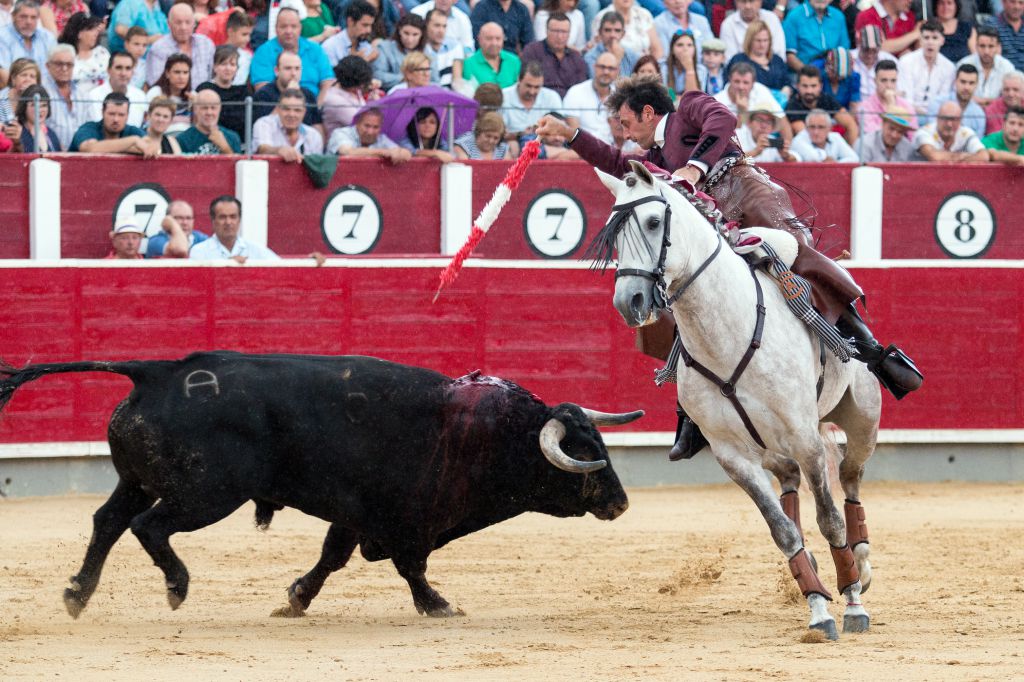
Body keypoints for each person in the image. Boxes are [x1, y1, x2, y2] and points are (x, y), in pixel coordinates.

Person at [535, 77, 922, 458]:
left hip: (747, 195)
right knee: (681, 299)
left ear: (648, 113)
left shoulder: (688, 106)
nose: (624, 131)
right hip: (712, 224)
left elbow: (723, 120)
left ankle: (873, 353)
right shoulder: (653, 160)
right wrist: (571, 135)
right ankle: (691, 412)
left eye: (626, 122)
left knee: (796, 258)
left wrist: (694, 168)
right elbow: (618, 164)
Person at [251, 7, 334, 97]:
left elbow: (328, 83)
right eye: (283, 26)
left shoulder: (315, 49)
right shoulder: (263, 53)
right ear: (275, 28)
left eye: (293, 26)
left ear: (300, 28)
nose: (288, 31)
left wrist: (316, 109)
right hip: (277, 107)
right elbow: (262, 91)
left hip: (313, 104)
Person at [190, 195, 280, 262]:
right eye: (222, 217)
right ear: (213, 221)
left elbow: (281, 268)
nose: (228, 222)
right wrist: (229, 265)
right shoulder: (199, 251)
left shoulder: (255, 249)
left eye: (233, 217)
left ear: (239, 220)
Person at [146, 3, 215, 89]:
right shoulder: (158, 48)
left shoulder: (206, 44)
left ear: (194, 23)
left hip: (203, 99)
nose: (183, 27)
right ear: (169, 24)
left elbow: (214, 77)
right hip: (170, 99)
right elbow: (155, 83)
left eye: (188, 22)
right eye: (178, 22)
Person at [520, 12, 587, 99]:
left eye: (564, 32)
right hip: (540, 101)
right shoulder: (532, 51)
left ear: (569, 34)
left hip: (570, 104)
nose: (559, 36)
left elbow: (581, 88)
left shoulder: (576, 57)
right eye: (555, 31)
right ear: (546, 31)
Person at [253, 50, 323, 131]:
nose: (293, 73)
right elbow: (264, 128)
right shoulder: (263, 94)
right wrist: (287, 95)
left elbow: (317, 126)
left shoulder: (308, 94)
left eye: (297, 68)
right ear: (276, 71)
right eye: (288, 68)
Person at [786, 65, 858, 144]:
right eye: (805, 86)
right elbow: (807, 136)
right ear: (797, 86)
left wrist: (848, 152)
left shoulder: (827, 99)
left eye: (813, 86)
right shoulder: (792, 106)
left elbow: (851, 125)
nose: (809, 91)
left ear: (820, 86)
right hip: (804, 150)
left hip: (828, 146)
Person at [897, 20, 956, 116]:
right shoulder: (906, 62)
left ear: (942, 41)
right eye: (926, 38)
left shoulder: (949, 67)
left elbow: (943, 100)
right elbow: (905, 99)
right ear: (920, 40)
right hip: (909, 114)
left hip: (936, 117)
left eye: (935, 38)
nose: (930, 42)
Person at [69, 91, 156, 155]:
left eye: (121, 115)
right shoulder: (89, 128)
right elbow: (89, 148)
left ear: (127, 115)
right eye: (111, 114)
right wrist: (133, 141)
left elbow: (152, 148)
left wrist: (109, 148)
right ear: (102, 112)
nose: (116, 119)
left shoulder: (131, 130)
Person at [727, 20, 789, 105]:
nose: (762, 45)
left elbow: (787, 81)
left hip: (779, 106)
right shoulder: (738, 60)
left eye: (765, 40)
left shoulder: (777, 60)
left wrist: (786, 90)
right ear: (750, 40)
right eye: (758, 40)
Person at [253, 86, 323, 160]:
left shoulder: (313, 135)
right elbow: (262, 149)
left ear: (304, 112)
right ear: (278, 109)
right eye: (286, 109)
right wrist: (279, 150)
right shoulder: (264, 124)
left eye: (297, 110)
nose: (291, 114)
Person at [196, 44, 250, 140]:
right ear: (215, 67)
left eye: (232, 64)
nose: (228, 68)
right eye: (223, 64)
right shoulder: (204, 88)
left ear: (237, 68)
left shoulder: (243, 91)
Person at [563, 50, 617, 143]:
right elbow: (573, 133)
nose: (606, 72)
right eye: (602, 67)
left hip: (614, 151)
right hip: (584, 151)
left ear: (617, 71)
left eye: (611, 68)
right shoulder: (576, 92)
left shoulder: (621, 95)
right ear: (594, 67)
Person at [501, 60, 562, 142]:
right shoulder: (503, 96)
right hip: (511, 144)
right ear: (519, 79)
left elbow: (559, 129)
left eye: (537, 87)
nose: (532, 91)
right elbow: (498, 133)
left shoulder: (552, 97)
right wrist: (520, 134)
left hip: (545, 144)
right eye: (528, 86)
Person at [41, 43, 88, 150]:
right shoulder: (41, 92)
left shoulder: (83, 94)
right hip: (50, 152)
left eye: (69, 64)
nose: (64, 68)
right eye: (59, 64)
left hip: (79, 154)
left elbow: (89, 126)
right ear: (48, 66)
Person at [321, 54, 379, 138]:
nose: (362, 86)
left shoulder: (355, 91)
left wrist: (371, 100)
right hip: (342, 143)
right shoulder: (334, 100)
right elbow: (361, 123)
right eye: (360, 83)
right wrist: (375, 104)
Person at [715, 61, 786, 129]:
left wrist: (788, 141)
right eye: (737, 81)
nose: (741, 87)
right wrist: (741, 111)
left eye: (745, 83)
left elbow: (781, 117)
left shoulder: (761, 90)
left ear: (753, 83)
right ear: (729, 79)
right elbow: (729, 135)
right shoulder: (716, 102)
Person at [327, 106, 412, 163]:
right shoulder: (340, 133)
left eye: (375, 127)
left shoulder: (381, 138)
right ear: (357, 123)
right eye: (367, 126)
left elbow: (406, 153)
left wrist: (402, 153)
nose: (370, 131)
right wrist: (383, 152)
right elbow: (347, 152)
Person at [783, 0, 848, 73]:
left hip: (833, 75)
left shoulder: (838, 17)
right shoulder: (794, 16)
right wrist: (809, 74)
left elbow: (844, 50)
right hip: (802, 73)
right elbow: (789, 54)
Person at [85, 51, 146, 128]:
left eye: (128, 68)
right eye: (118, 68)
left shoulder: (140, 96)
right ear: (108, 70)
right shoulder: (94, 96)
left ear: (133, 72)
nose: (123, 73)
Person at [913, 100, 988, 162]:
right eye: (945, 118)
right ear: (937, 118)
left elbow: (984, 156)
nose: (949, 124)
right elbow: (935, 157)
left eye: (953, 119)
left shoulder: (966, 133)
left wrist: (951, 157)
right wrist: (965, 156)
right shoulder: (924, 132)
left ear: (960, 121)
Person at [959, 26, 1016, 107]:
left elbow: (1011, 97)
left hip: (999, 113)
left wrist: (981, 101)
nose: (986, 51)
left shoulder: (1007, 67)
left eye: (991, 46)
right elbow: (957, 94)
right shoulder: (964, 64)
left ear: (998, 47)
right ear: (976, 46)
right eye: (982, 46)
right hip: (968, 110)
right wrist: (990, 101)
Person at [177, 88, 244, 154]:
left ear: (219, 109)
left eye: (213, 108)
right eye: (204, 108)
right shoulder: (183, 140)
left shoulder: (233, 138)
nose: (209, 112)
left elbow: (237, 163)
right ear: (195, 110)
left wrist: (225, 148)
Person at [860, 59, 917, 134]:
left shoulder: (906, 106)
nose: (889, 86)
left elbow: (912, 136)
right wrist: (892, 106)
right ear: (875, 81)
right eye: (884, 80)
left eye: (893, 81)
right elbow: (875, 135)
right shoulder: (865, 107)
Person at [927, 63, 985, 136]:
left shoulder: (979, 114)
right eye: (963, 82)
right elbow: (933, 134)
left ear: (976, 85)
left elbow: (977, 143)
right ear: (955, 82)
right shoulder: (937, 104)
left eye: (971, 83)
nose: (966, 87)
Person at [719, 0, 786, 63]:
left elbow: (779, 53)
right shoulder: (728, 25)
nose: (747, 6)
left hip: (772, 69)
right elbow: (729, 60)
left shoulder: (772, 19)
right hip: (741, 72)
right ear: (736, 2)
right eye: (743, 1)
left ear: (760, 1)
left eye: (752, 1)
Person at [591, 0, 659, 61]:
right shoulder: (601, 17)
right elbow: (601, 51)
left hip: (644, 68)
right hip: (618, 67)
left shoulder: (644, 14)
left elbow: (657, 50)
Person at [59, 12, 108, 96]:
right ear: (78, 33)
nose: (95, 33)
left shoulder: (102, 53)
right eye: (91, 29)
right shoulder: (64, 55)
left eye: (96, 29)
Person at [374, 13, 426, 91]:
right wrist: (406, 78)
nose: (410, 39)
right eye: (406, 33)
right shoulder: (385, 48)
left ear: (422, 34)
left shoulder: (427, 51)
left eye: (415, 35)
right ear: (399, 30)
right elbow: (378, 75)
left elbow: (435, 81)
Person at [145, 52, 194, 135]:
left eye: (185, 72)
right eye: (177, 72)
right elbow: (147, 121)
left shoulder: (193, 96)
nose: (181, 77)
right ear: (167, 73)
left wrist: (195, 107)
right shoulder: (156, 92)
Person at [0, 1, 57, 70]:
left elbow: (57, 67)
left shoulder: (47, 37)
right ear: (13, 16)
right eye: (23, 17)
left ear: (38, 19)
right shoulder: (2, 37)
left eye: (33, 17)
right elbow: (3, 73)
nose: (28, 22)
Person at [462, 22, 520, 88]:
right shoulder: (468, 64)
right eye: (489, 39)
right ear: (479, 39)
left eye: (498, 39)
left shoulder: (514, 61)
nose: (494, 43)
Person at [321, 0, 378, 67]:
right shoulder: (330, 47)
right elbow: (332, 76)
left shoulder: (366, 46)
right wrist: (356, 62)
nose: (369, 30)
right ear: (350, 21)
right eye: (365, 25)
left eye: (371, 25)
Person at [790, 108, 859, 161]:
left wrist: (836, 163)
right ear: (806, 128)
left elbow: (854, 159)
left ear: (829, 128)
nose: (816, 132)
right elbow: (813, 158)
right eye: (812, 127)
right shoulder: (799, 139)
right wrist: (827, 159)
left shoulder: (835, 137)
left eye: (821, 127)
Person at [585, 12, 638, 79]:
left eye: (617, 30)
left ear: (623, 34)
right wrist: (616, 60)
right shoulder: (590, 57)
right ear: (600, 32)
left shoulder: (631, 55)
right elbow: (600, 84)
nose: (612, 35)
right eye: (607, 30)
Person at [851, 24, 895, 102]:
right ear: (858, 44)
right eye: (866, 50)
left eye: (874, 51)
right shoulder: (849, 59)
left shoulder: (889, 59)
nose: (870, 55)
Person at [660, 28, 705, 101]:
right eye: (680, 45)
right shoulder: (663, 67)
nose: (685, 49)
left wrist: (690, 69)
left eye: (689, 45)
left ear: (694, 49)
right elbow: (667, 94)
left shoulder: (701, 70)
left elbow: (693, 98)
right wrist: (676, 98)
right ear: (672, 49)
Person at [423, 9, 463, 88]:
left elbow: (457, 80)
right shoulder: (419, 48)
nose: (441, 31)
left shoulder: (455, 46)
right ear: (426, 25)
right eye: (437, 25)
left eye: (444, 26)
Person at [0, 57, 39, 137]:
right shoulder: (1, 99)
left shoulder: (38, 99)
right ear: (13, 78)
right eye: (23, 75)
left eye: (32, 76)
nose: (28, 79)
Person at [14, 82, 60, 150]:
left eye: (44, 105)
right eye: (34, 105)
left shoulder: (52, 134)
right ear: (24, 107)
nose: (39, 110)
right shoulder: (17, 132)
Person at [985, 0, 1024, 72]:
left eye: (1021, 3)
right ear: (1003, 3)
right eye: (1013, 2)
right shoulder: (991, 24)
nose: (1017, 7)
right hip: (1003, 75)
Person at [933, 0, 975, 64]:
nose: (945, 7)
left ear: (956, 6)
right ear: (936, 7)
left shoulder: (967, 27)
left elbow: (975, 56)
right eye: (941, 3)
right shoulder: (929, 27)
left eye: (949, 3)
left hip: (963, 71)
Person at [225, 10, 254, 85]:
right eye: (244, 34)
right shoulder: (214, 54)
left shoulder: (248, 57)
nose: (248, 39)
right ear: (230, 32)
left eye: (249, 35)